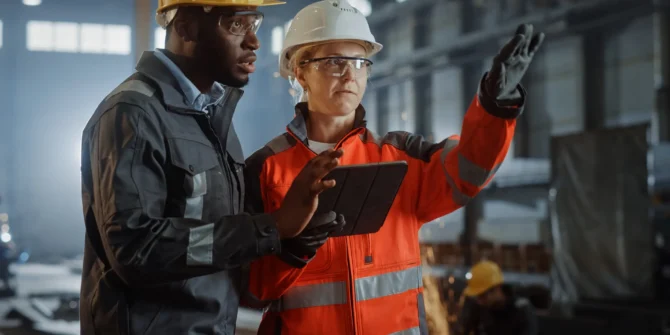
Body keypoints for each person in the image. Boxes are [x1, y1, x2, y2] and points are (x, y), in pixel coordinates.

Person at [242, 0, 545, 333]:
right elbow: (251, 291)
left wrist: (494, 107)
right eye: (333, 61)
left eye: (358, 62)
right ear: (300, 71)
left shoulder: (401, 157)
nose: (348, 73)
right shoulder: (265, 170)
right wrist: (292, 249)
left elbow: (468, 171)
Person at [78, 0, 346, 333]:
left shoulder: (211, 115)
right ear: (186, 27)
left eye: (255, 25)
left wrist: (290, 242)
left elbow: (213, 244)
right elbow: (135, 251)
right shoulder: (133, 113)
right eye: (236, 25)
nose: (254, 42)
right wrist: (270, 227)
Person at [455, 260, 538, 335]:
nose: (479, 301)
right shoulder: (480, 309)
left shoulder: (521, 310)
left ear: (497, 288)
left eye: (482, 296)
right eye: (477, 296)